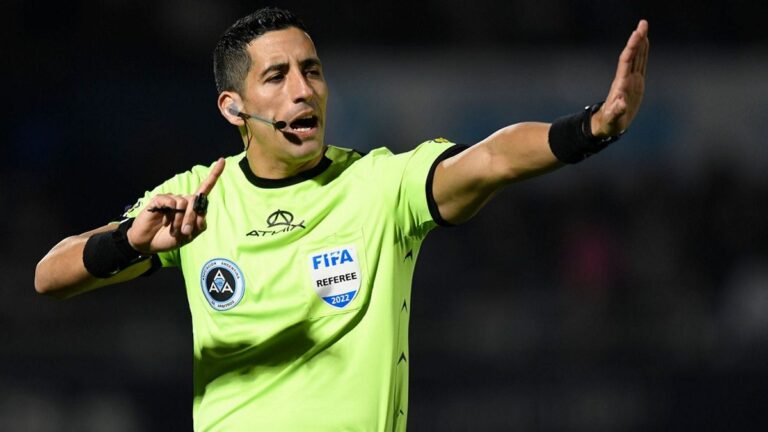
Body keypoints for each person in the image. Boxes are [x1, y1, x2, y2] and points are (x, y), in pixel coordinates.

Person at [34, 7, 650, 431]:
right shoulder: (199, 198)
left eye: (312, 70)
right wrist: (130, 241)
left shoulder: (379, 186)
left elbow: (490, 159)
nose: (303, 90)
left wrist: (592, 128)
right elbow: (48, 276)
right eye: (277, 77)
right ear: (234, 108)